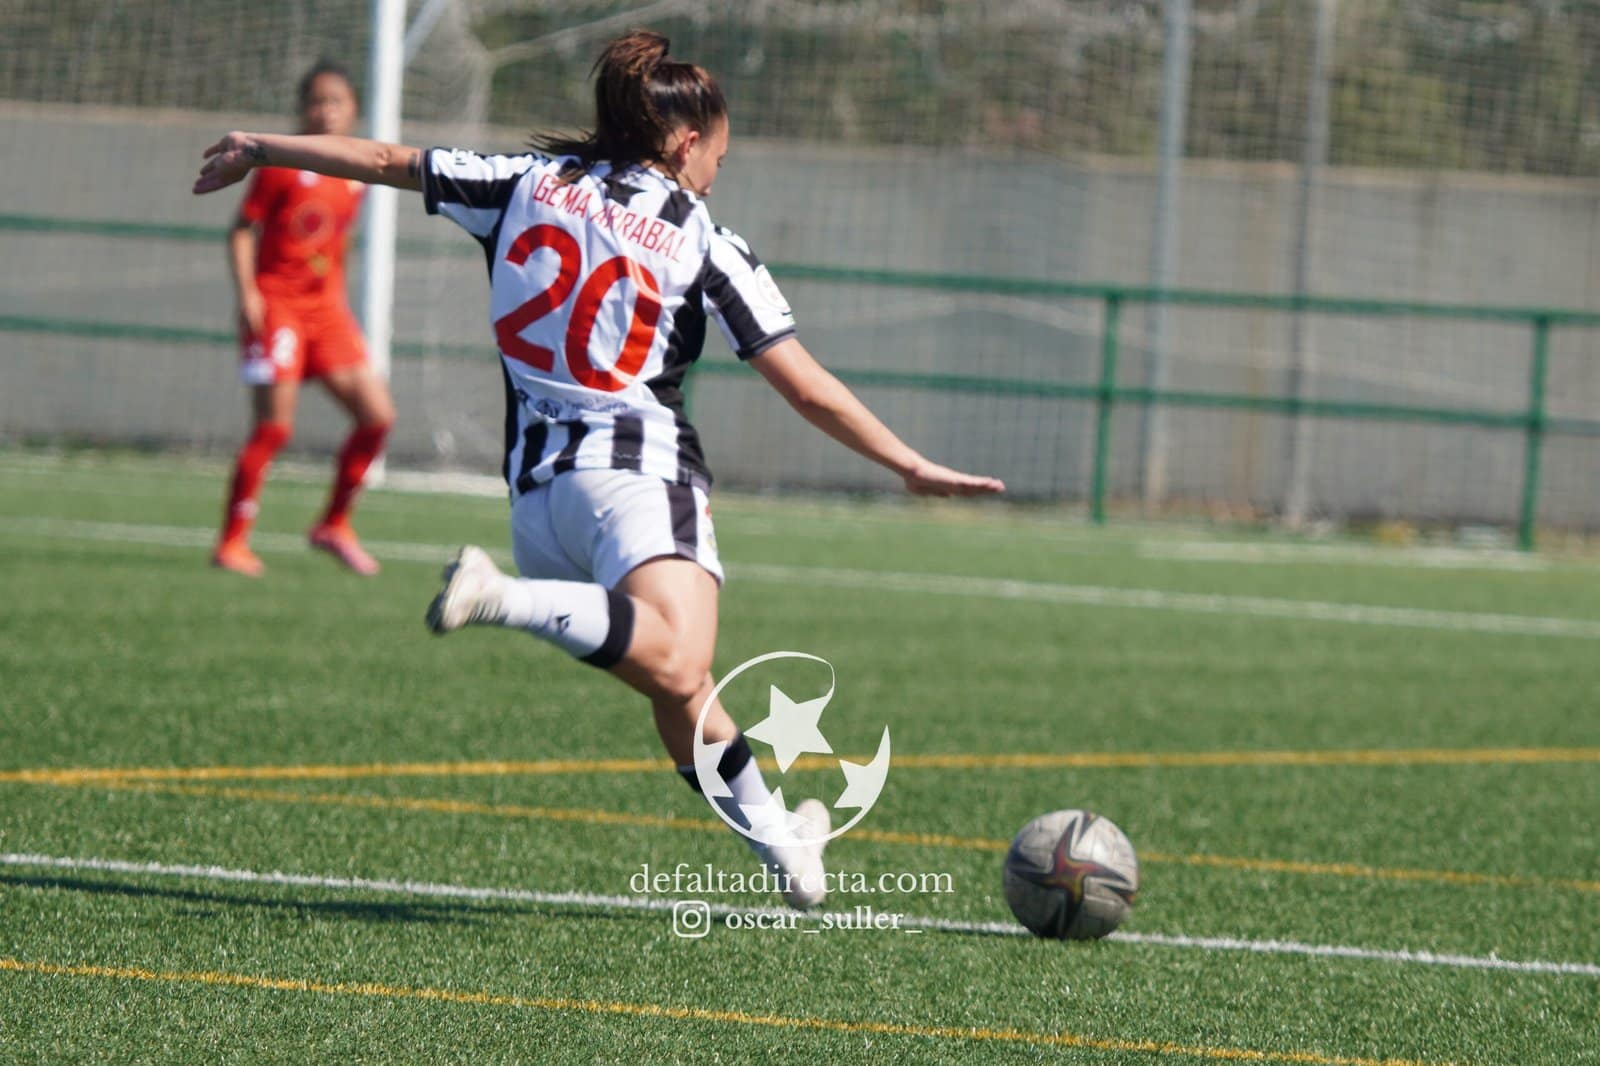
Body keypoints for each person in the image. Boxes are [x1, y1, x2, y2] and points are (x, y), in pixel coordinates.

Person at [193, 30, 1003, 906]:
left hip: (538, 504)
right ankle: (500, 598)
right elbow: (806, 388)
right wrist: (908, 462)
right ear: (686, 142)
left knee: (675, 681)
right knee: (684, 661)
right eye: (718, 157)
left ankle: (784, 844)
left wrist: (260, 145)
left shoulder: (525, 184)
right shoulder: (704, 242)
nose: (715, 175)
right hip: (634, 483)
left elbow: (387, 157)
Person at [212, 60, 397, 578]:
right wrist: (249, 294)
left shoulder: (357, 172)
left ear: (353, 107)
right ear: (301, 107)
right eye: (315, 100)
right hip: (279, 308)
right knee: (273, 427)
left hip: (327, 313)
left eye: (335, 100)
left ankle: (334, 524)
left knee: (377, 416)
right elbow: (241, 230)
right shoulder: (279, 163)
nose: (325, 110)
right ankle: (232, 542)